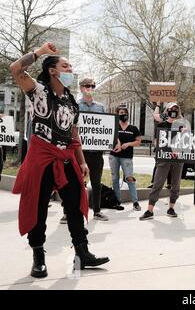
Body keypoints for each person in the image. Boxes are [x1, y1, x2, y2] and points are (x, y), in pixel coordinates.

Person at [10, 42, 109, 278]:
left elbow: (74, 134)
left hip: (65, 157)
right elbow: (15, 68)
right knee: (38, 206)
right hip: (42, 158)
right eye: (65, 66)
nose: (70, 70)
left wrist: (82, 161)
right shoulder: (38, 90)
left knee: (75, 204)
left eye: (71, 67)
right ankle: (38, 257)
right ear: (52, 70)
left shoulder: (71, 102)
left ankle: (83, 253)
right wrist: (41, 52)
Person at [140, 102, 184, 220]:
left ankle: (171, 208)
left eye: (176, 109)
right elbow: (158, 141)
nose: (173, 111)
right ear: (167, 111)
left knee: (175, 185)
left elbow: (185, 143)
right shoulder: (162, 125)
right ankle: (150, 210)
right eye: (171, 109)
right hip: (164, 159)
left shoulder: (181, 126)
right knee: (157, 184)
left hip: (177, 159)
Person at [75, 77, 109, 221]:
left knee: (96, 183)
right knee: (75, 182)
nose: (90, 88)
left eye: (93, 86)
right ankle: (69, 211)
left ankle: (97, 211)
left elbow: (105, 128)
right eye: (87, 86)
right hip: (79, 152)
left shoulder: (100, 107)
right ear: (81, 88)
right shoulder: (75, 105)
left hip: (96, 153)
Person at [109, 106, 142, 211]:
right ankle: (117, 201)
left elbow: (138, 142)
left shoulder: (133, 128)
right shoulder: (114, 126)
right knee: (115, 179)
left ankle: (135, 202)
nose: (122, 114)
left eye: (124, 112)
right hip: (114, 156)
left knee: (129, 178)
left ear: (127, 114)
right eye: (120, 112)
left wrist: (128, 144)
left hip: (127, 157)